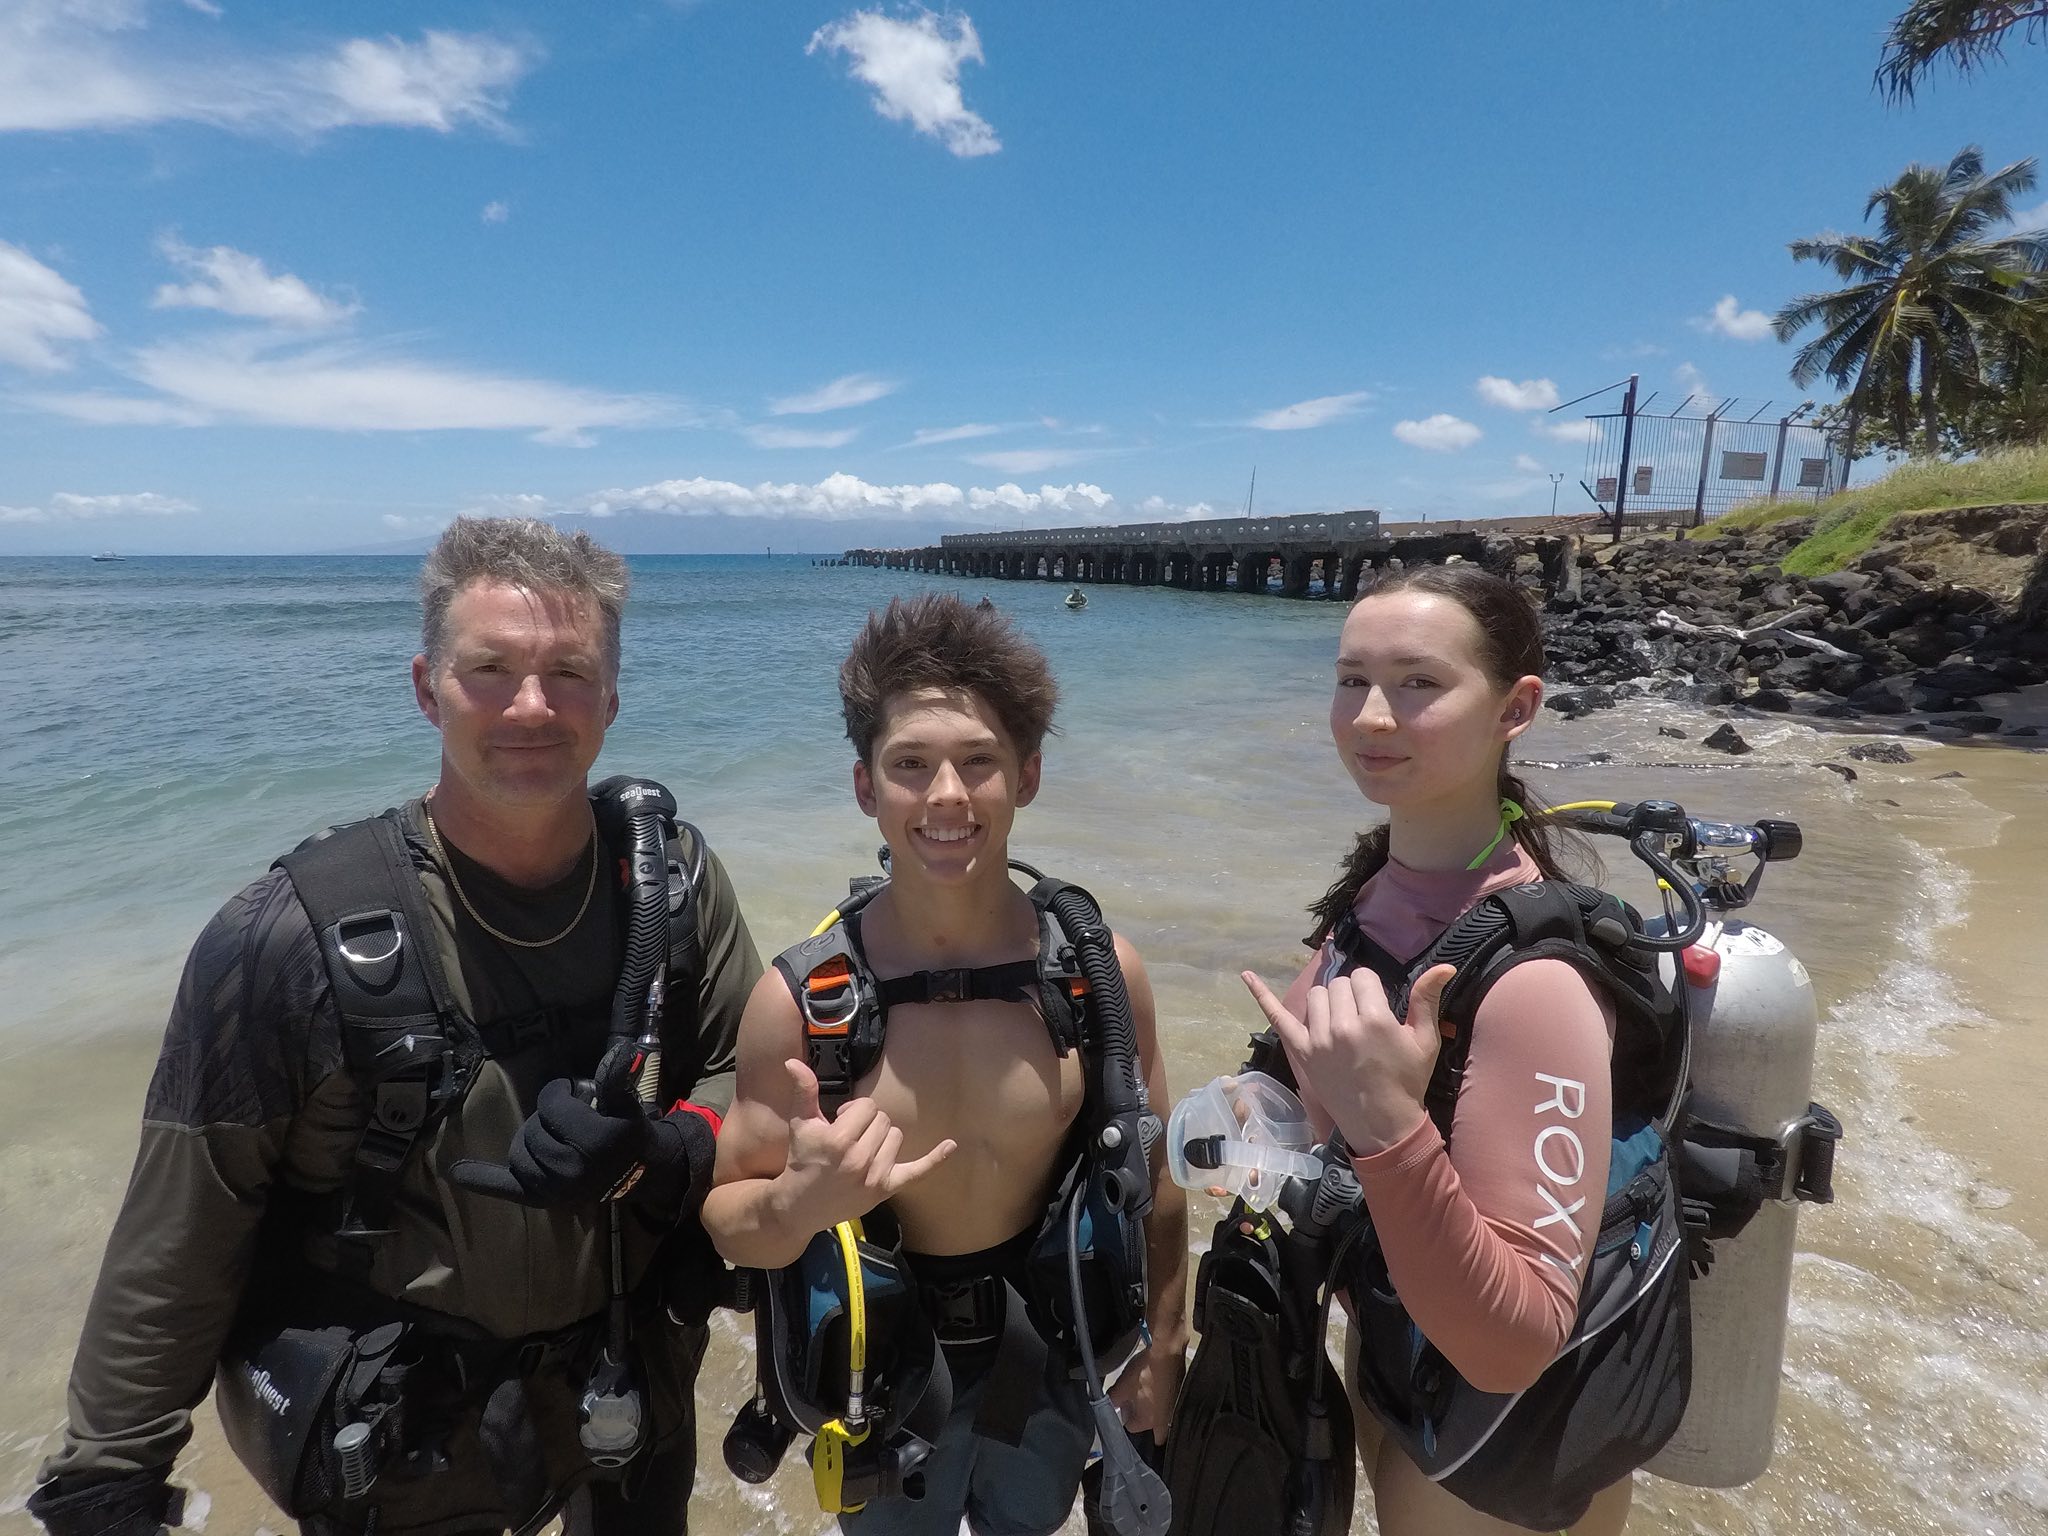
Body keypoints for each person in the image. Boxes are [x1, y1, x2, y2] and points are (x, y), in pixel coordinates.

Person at [28, 517, 762, 1536]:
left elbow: (755, 1077)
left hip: (621, 1374)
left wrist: (665, 1146)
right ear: (425, 687)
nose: (532, 707)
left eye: (569, 672)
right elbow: (188, 1221)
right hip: (406, 1419)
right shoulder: (290, 934)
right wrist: (109, 1474)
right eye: (490, 669)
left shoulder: (670, 882)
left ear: (613, 697)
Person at [703, 593, 1187, 1536]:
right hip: (881, 1370)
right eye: (910, 766)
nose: (948, 798)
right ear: (863, 787)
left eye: (980, 763)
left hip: (1047, 1349)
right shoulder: (802, 1002)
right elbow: (730, 1224)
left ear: (1029, 775)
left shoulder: (1096, 975)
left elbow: (1156, 1181)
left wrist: (1165, 1344)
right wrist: (802, 1202)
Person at [1236, 563, 1681, 1536]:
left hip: (1516, 1427)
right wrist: (1260, 1108)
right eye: (1350, 678)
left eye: (1417, 684)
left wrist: (1386, 1125)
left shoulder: (1535, 986)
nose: (1370, 717)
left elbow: (1513, 1344)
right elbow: (1323, 1099)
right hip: (1395, 1338)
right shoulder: (1372, 899)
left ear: (1514, 707)